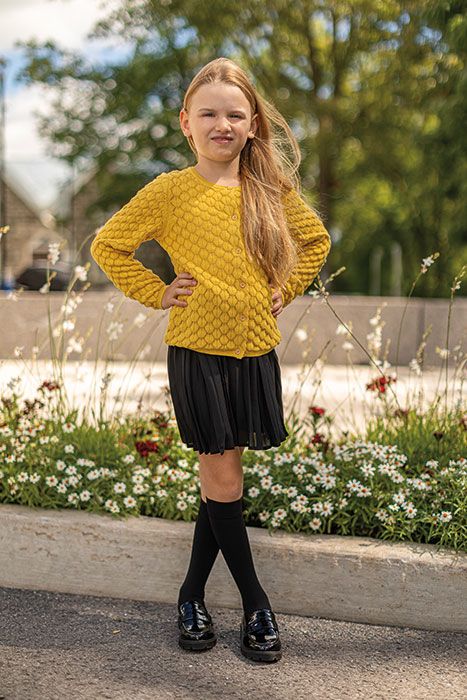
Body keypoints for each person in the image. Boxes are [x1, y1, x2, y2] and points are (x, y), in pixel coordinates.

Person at [90, 56, 332, 663]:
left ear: (252, 125)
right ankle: (257, 605)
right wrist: (158, 291)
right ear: (186, 124)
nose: (222, 124)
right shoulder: (169, 192)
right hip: (196, 350)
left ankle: (192, 594)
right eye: (209, 114)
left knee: (219, 483)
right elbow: (108, 245)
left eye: (234, 113)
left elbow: (316, 242)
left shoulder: (268, 190)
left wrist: (287, 287)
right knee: (224, 479)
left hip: (252, 351)